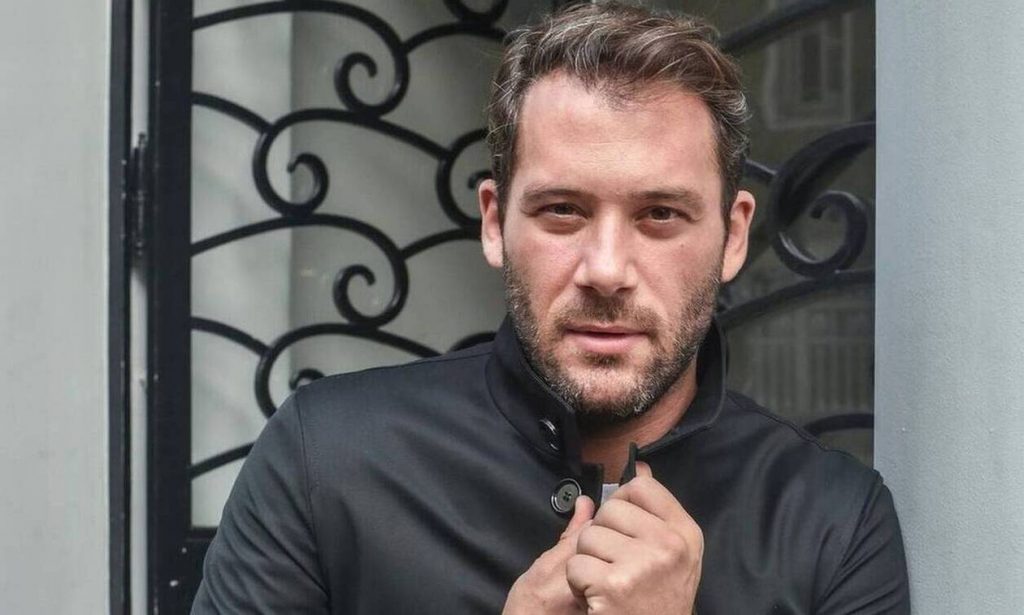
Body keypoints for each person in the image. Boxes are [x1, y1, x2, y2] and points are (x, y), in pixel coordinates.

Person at [192, 3, 910, 613]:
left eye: (660, 214)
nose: (606, 270)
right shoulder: (327, 461)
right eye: (563, 210)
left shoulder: (832, 523)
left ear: (733, 236)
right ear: (494, 222)